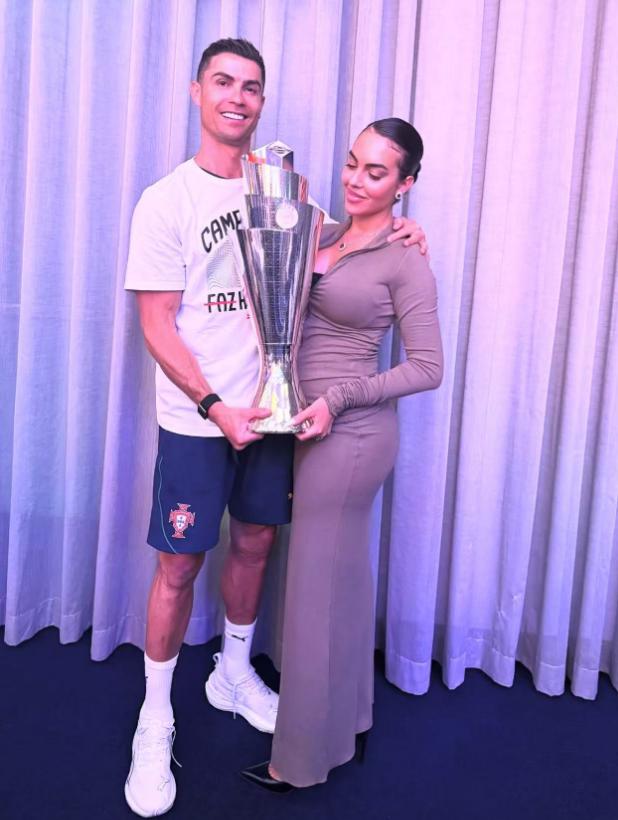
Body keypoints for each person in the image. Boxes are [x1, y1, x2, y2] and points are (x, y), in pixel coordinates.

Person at [123, 39, 426, 817]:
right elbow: (156, 324)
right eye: (223, 82)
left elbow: (352, 245)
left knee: (256, 542)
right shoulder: (166, 201)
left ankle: (231, 673)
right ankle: (154, 719)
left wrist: (405, 231)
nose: (238, 97)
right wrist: (212, 405)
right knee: (179, 565)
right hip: (199, 419)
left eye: (251, 86)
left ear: (262, 101)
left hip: (273, 413)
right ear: (197, 92)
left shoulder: (284, 192)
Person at [241, 117, 443, 790]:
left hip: (351, 438)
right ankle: (351, 718)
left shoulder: (405, 259)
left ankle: (299, 762)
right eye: (353, 163)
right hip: (306, 427)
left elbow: (429, 368)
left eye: (376, 172)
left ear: (404, 185)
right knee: (342, 585)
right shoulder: (323, 232)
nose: (356, 179)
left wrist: (340, 398)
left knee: (314, 592)